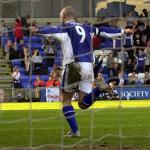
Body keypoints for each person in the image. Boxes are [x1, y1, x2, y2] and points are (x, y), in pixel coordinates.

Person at [40, 6, 133, 137]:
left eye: (60, 17)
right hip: (88, 66)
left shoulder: (66, 28)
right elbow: (104, 31)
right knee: (83, 103)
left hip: (73, 65)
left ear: (64, 17)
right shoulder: (86, 28)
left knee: (66, 100)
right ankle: (99, 89)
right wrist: (123, 31)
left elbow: (51, 30)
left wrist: (37, 30)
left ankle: (75, 131)